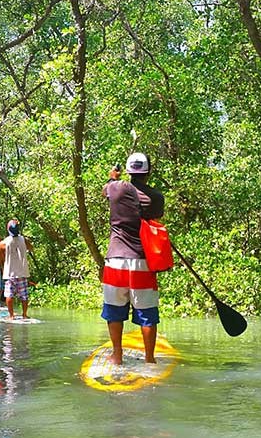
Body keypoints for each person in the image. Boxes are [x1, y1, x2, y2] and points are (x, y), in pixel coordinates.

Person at [102, 152, 164, 365]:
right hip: (142, 261)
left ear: (128, 172)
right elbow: (154, 220)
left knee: (114, 312)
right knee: (147, 313)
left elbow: (106, 190)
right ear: (149, 172)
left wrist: (113, 177)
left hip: (115, 261)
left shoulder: (115, 188)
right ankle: (149, 359)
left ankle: (117, 355)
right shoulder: (156, 197)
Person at [0, 219, 34, 319]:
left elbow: (2, 255)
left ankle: (11, 316)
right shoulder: (24, 240)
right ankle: (24, 314)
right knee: (24, 295)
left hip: (10, 273)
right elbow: (31, 248)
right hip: (22, 273)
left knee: (9, 295)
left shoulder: (4, 242)